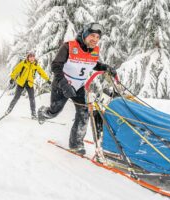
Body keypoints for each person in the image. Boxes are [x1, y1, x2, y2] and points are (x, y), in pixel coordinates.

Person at [37, 22, 117, 155]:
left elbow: (92, 63)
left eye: (98, 37)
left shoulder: (94, 51)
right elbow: (56, 66)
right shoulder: (69, 47)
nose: (95, 40)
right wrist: (64, 85)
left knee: (84, 112)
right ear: (85, 34)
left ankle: (76, 144)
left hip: (79, 87)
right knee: (55, 111)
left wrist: (105, 67)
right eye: (92, 36)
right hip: (62, 84)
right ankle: (44, 113)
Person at [6, 52, 51, 119]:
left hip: (29, 84)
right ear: (28, 57)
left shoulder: (35, 65)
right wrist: (12, 78)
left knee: (32, 99)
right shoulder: (23, 63)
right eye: (30, 57)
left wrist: (47, 79)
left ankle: (33, 114)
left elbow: (42, 72)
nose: (32, 58)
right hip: (21, 83)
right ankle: (8, 110)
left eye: (33, 57)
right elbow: (16, 70)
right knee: (16, 97)